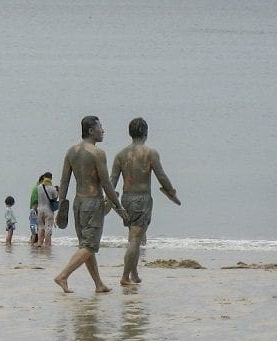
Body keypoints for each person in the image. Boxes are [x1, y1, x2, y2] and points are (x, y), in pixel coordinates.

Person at [54, 115, 129, 293]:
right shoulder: (97, 153)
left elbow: (64, 181)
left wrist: (61, 206)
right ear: (90, 130)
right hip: (92, 202)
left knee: (86, 246)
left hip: (77, 204)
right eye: (100, 127)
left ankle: (98, 284)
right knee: (89, 246)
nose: (103, 130)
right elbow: (106, 183)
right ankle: (63, 276)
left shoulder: (71, 151)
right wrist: (119, 207)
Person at [110, 117, 181, 286]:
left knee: (133, 236)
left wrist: (112, 202)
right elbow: (161, 176)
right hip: (142, 200)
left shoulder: (120, 154)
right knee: (136, 239)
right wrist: (171, 193)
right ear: (146, 133)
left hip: (126, 199)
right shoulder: (150, 153)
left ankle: (134, 273)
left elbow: (112, 180)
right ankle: (125, 276)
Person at [36, 173, 59, 247]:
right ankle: (47, 244)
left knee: (40, 227)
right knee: (48, 228)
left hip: (39, 209)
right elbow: (55, 199)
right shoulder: (53, 189)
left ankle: (39, 243)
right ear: (51, 178)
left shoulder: (39, 187)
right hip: (48, 210)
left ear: (44, 177)